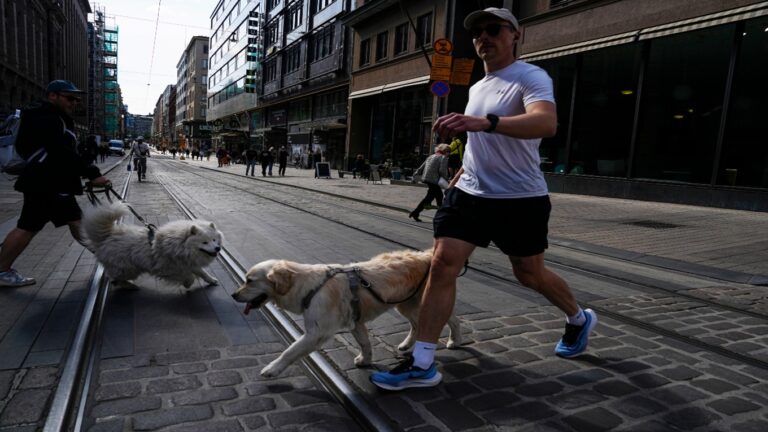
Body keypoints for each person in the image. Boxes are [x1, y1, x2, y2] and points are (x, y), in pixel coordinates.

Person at [370, 8, 597, 391]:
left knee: (529, 274)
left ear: (516, 35)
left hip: (519, 198)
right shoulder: (478, 87)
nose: (484, 37)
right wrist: (462, 173)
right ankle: (422, 361)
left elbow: (546, 123)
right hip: (470, 194)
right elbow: (480, 142)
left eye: (494, 29)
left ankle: (578, 318)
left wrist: (485, 122)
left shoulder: (530, 77)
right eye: (477, 33)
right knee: (442, 264)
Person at [0, 80, 111, 287]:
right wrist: (92, 173)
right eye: (69, 98)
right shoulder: (48, 118)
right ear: (53, 96)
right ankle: (2, 270)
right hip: (48, 183)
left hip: (49, 182)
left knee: (72, 223)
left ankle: (112, 262)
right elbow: (60, 152)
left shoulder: (49, 116)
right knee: (30, 227)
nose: (74, 103)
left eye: (76, 100)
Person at [409, 144, 450, 222]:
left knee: (436, 196)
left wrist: (415, 175)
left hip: (426, 178)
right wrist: (446, 179)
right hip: (434, 180)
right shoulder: (443, 158)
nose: (449, 153)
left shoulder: (431, 156)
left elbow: (422, 167)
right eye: (448, 151)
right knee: (434, 197)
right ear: (445, 151)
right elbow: (442, 171)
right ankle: (440, 217)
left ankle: (416, 213)